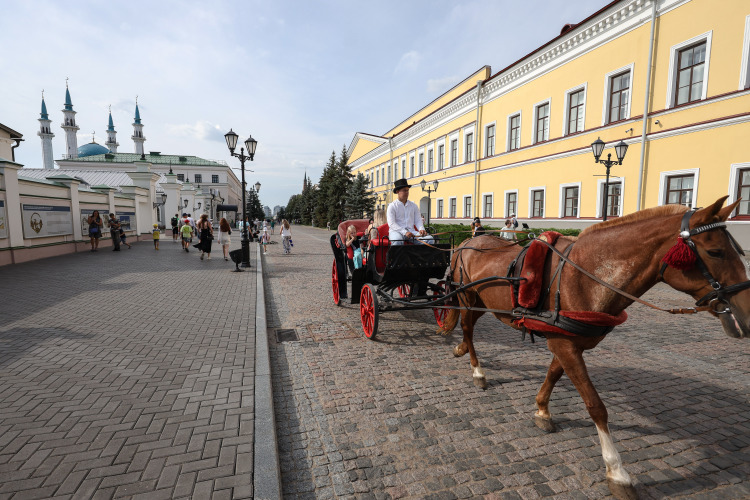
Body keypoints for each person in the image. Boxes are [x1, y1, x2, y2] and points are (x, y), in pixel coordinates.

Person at [386, 179, 433, 245]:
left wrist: (421, 229)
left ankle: (420, 255)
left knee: (429, 239)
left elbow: (418, 220)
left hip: (411, 232)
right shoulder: (392, 206)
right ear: (397, 191)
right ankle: (395, 255)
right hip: (396, 232)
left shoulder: (413, 206)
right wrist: (404, 232)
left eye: (407, 190)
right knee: (397, 241)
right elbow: (392, 224)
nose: (407, 192)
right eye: (404, 190)